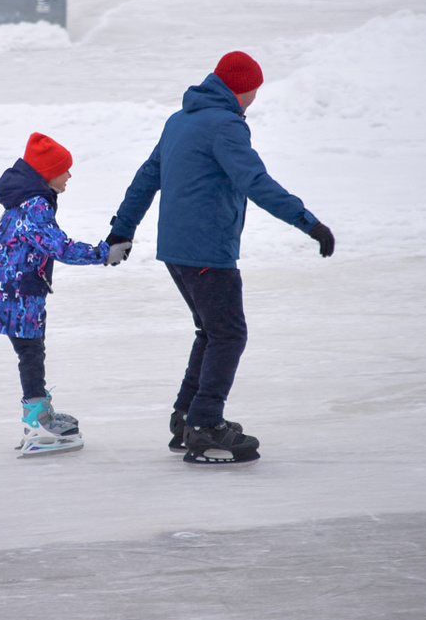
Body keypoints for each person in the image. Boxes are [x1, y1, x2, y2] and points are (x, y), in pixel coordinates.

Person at [106, 52, 335, 465]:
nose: (254, 99)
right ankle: (205, 426)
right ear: (242, 88)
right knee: (228, 334)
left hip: (176, 250)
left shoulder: (180, 120)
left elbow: (146, 177)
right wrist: (309, 223)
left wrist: (123, 229)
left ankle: (186, 418)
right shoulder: (226, 126)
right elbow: (255, 181)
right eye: (254, 91)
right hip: (207, 250)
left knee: (211, 332)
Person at [0, 132, 117, 455]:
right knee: (31, 352)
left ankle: (39, 412)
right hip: (16, 291)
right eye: (65, 170)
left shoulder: (26, 200)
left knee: (31, 351)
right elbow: (59, 247)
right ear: (48, 172)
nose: (70, 176)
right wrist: (102, 253)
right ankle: (36, 421)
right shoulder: (35, 205)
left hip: (7, 287)